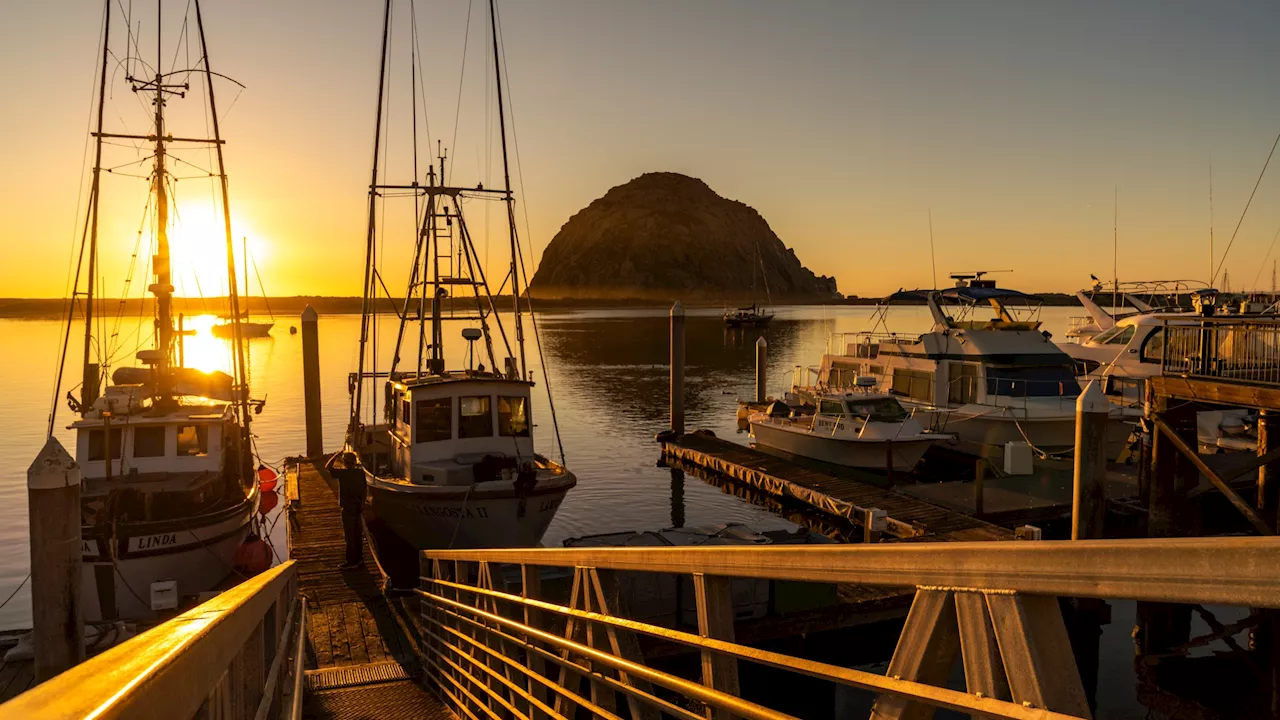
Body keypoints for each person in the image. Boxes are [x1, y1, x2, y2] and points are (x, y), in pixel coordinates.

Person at [328, 452, 366, 571]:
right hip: (358, 507)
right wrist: (362, 504)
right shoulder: (360, 473)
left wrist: (336, 455)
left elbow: (327, 467)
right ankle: (359, 559)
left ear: (344, 462)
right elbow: (365, 490)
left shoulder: (343, 474)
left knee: (350, 536)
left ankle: (351, 561)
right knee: (357, 534)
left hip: (348, 508)